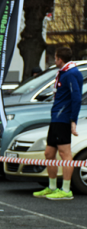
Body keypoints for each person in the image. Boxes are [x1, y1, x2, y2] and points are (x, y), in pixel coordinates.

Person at [35, 47, 84, 200]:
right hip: (56, 118)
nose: (54, 60)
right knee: (49, 154)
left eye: (55, 58)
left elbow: (76, 98)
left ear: (59, 59)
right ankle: (51, 187)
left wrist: (73, 121)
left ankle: (66, 190)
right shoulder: (63, 72)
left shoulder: (71, 74)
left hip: (63, 119)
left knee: (65, 154)